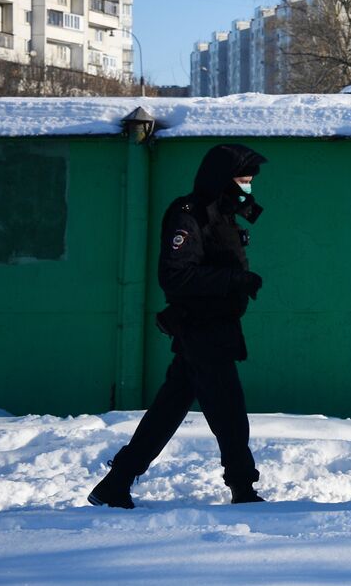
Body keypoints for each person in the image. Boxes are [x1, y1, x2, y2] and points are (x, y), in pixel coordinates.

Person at [89, 144, 269, 509]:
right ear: (222, 179)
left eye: (251, 181)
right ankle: (243, 489)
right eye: (243, 180)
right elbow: (175, 276)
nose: (248, 188)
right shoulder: (188, 215)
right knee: (229, 411)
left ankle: (116, 482)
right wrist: (234, 280)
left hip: (215, 329)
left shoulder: (223, 216)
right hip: (203, 331)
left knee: (168, 411)